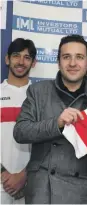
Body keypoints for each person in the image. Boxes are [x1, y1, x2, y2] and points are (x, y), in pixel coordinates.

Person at [13, 34, 87, 204]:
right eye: (66, 57)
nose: (72, 63)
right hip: (43, 193)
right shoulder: (38, 91)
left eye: (79, 57)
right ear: (58, 62)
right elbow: (20, 132)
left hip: (84, 194)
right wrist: (57, 123)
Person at [1, 38, 36, 204]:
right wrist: (3, 174)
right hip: (2, 183)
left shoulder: (40, 97)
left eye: (27, 57)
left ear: (33, 63)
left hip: (32, 184)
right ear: (7, 59)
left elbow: (47, 143)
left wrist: (24, 175)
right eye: (16, 56)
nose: (21, 62)